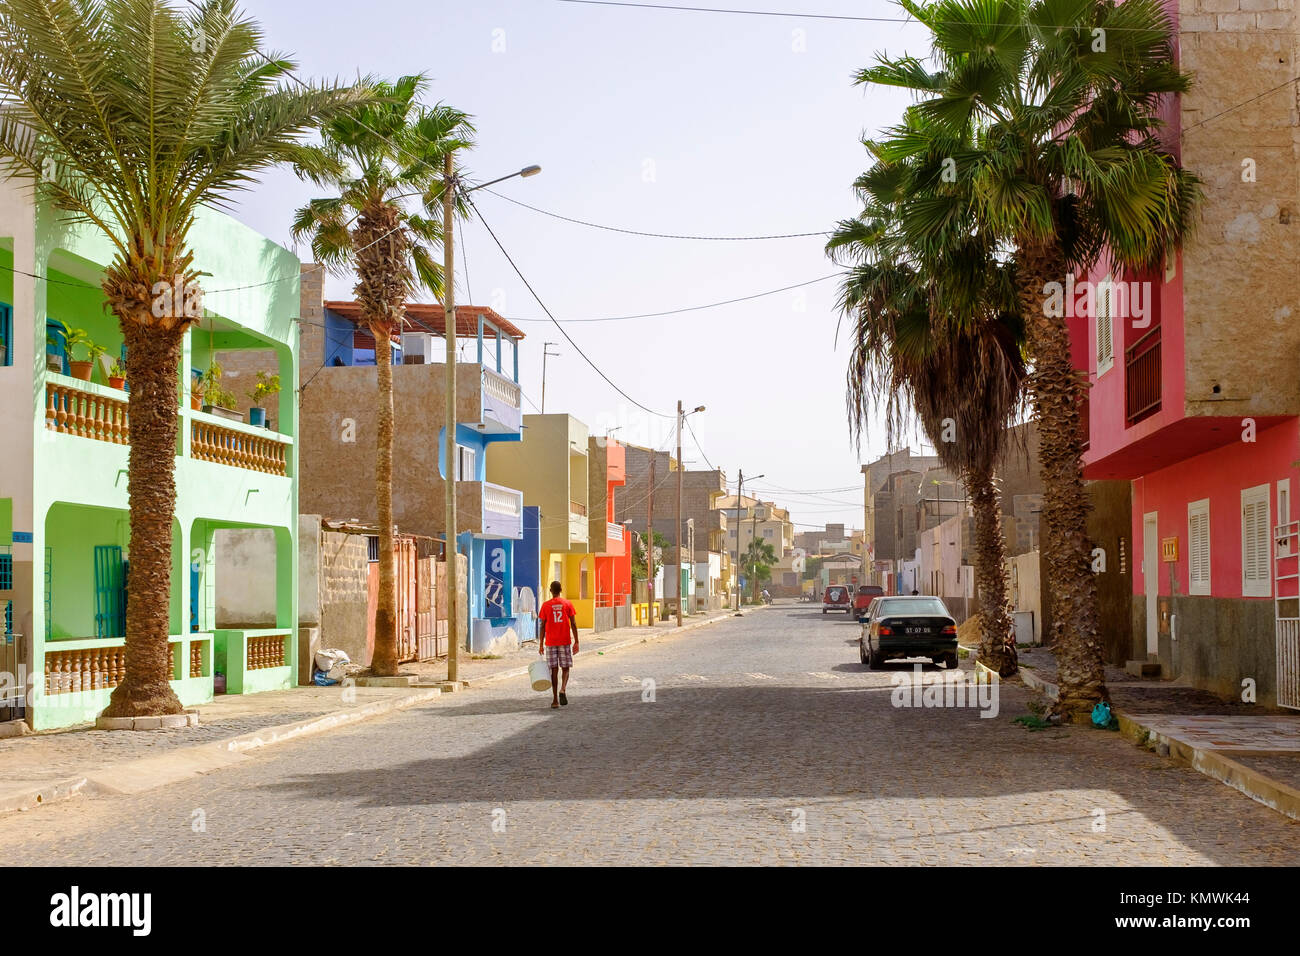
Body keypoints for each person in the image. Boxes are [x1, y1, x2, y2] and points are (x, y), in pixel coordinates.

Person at [538, 580, 579, 709]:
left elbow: (542, 626)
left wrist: (540, 644)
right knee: (565, 668)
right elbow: (573, 623)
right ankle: (563, 689)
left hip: (550, 642)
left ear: (550, 591)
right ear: (561, 590)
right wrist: (576, 641)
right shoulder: (567, 604)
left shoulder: (545, 606)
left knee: (553, 670)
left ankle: (555, 700)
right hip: (564, 640)